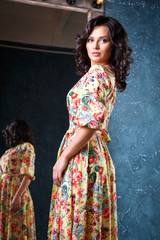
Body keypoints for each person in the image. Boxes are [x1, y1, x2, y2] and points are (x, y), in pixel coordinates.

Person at [48, 15, 133, 240]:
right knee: (88, 223)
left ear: (114, 46)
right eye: (90, 39)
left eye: (103, 40)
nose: (94, 46)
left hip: (83, 157)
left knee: (77, 222)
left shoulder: (97, 74)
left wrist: (64, 156)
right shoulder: (108, 74)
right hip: (95, 157)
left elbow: (92, 122)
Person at [0, 119, 36, 239]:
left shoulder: (27, 147)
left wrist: (17, 196)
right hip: (4, 195)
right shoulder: (8, 152)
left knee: (18, 229)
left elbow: (28, 174)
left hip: (16, 192)